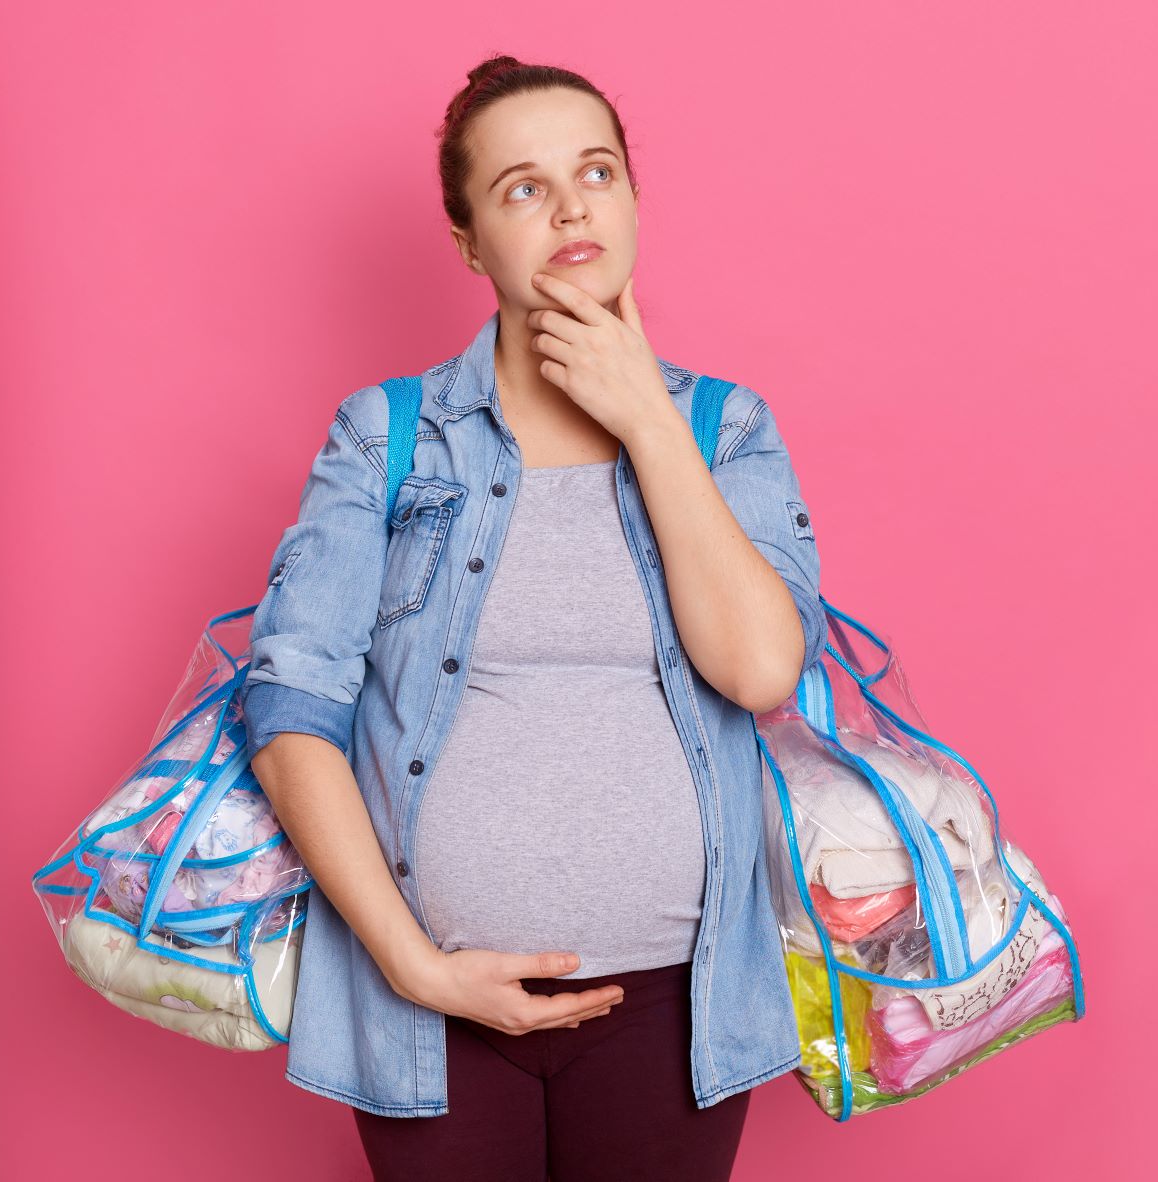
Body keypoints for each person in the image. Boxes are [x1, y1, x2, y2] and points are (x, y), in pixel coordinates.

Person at [241, 53, 828, 1181]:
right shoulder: (386, 436)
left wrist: (645, 418)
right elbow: (291, 711)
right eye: (521, 186)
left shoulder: (725, 430)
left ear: (633, 203)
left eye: (596, 171)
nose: (569, 206)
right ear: (467, 242)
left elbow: (759, 670)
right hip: (428, 1008)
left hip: (676, 1008)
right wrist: (415, 969)